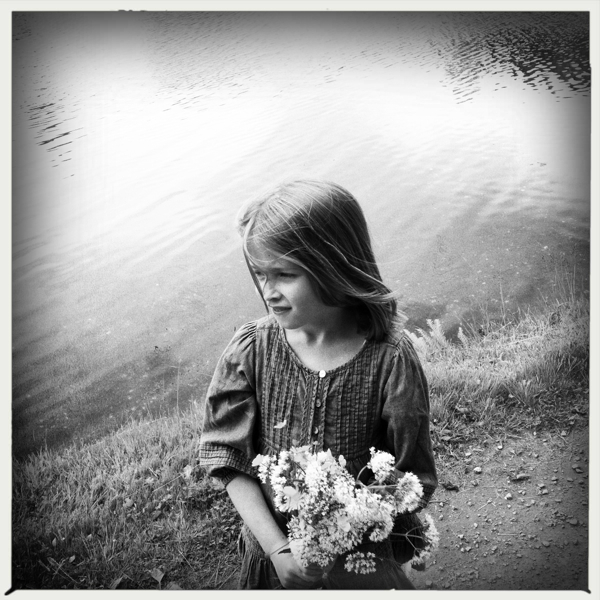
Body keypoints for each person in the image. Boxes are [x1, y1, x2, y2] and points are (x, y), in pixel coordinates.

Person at [199, 179, 437, 589]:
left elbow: (411, 478)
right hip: (274, 563)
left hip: (360, 565)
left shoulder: (390, 359)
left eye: (284, 274)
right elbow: (228, 459)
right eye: (260, 274)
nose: (268, 291)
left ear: (333, 266)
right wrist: (278, 549)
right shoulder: (251, 350)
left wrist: (340, 531)